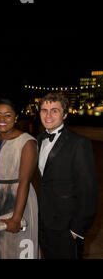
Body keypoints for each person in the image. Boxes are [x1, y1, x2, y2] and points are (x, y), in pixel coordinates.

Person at [37, 93, 98, 259]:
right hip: (43, 222)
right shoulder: (37, 140)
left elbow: (88, 190)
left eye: (54, 110)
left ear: (64, 114)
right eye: (44, 110)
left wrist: (77, 229)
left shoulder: (79, 144)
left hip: (67, 227)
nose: (48, 115)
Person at [0, 99, 39, 259]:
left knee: (16, 250)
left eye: (8, 115)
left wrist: (17, 218)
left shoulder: (27, 142)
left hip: (16, 201)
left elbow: (24, 182)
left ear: (16, 118)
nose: (2, 120)